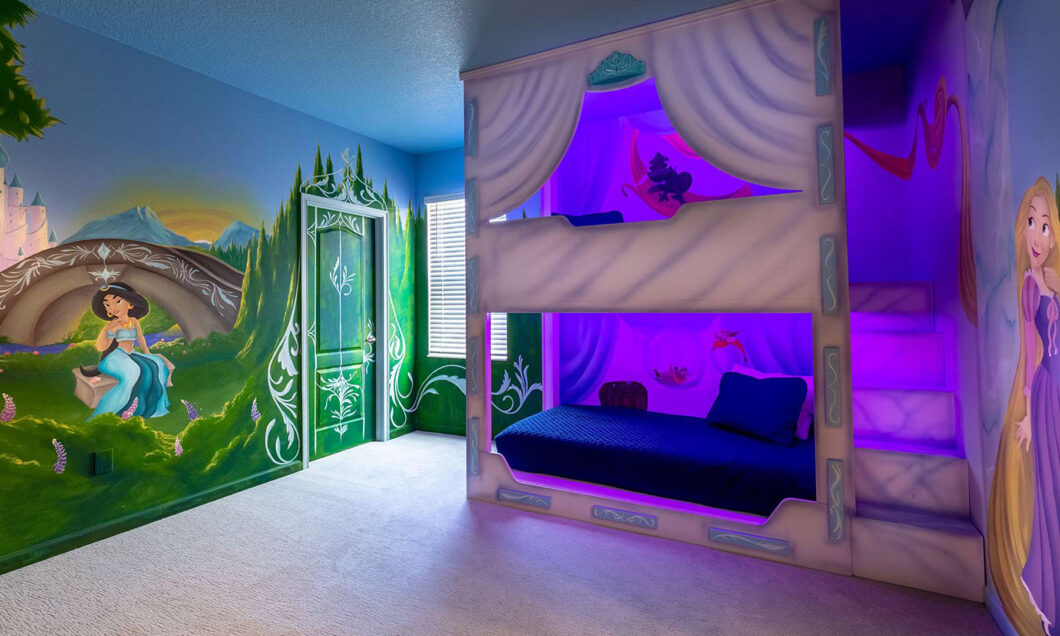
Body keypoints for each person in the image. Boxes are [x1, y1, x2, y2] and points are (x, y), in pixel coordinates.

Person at [988, 177, 1060, 635]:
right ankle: (1050, 597)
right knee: (1050, 492)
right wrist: (1030, 416)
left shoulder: (1054, 282)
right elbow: (1031, 354)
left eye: (1045, 225)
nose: (1036, 234)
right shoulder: (1030, 287)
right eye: (1030, 223)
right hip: (1048, 394)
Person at [80, 283, 171, 419]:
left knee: (155, 364)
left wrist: (147, 352)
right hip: (115, 356)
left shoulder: (133, 321)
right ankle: (123, 409)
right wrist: (110, 332)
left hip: (131, 353)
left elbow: (140, 337)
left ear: (130, 304)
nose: (113, 307)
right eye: (107, 304)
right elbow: (101, 347)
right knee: (135, 372)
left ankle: (151, 407)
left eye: (118, 302)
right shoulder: (111, 325)